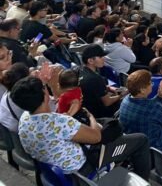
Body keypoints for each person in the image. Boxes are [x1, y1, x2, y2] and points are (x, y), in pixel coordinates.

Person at [13, 76, 151, 179]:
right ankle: (142, 180)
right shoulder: (60, 122)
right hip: (84, 168)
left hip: (54, 168)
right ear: (44, 95)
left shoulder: (24, 118)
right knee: (141, 139)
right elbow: (97, 137)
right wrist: (90, 116)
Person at [79, 44, 126, 118]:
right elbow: (107, 102)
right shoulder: (95, 78)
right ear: (90, 60)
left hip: (86, 109)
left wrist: (108, 88)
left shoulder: (80, 70)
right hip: (98, 114)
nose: (104, 59)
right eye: (101, 57)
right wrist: (122, 94)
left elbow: (94, 88)